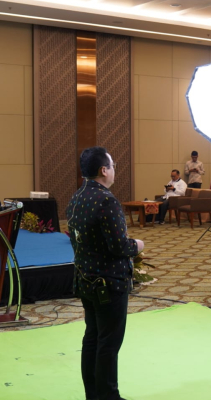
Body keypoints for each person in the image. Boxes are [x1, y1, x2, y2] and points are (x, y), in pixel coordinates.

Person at [66, 146, 144, 400]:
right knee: (108, 344)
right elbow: (119, 246)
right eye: (112, 166)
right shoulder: (106, 200)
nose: (114, 170)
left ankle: (94, 395)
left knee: (92, 338)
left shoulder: (77, 196)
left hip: (85, 279)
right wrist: (137, 245)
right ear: (104, 170)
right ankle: (109, 396)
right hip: (109, 283)